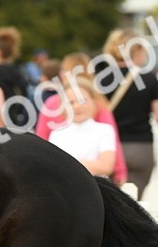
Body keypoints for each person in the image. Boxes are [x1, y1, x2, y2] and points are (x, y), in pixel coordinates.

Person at [94, 29, 158, 195]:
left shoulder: (100, 78)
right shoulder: (149, 79)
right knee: (133, 203)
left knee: (104, 200)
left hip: (107, 148)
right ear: (138, 50)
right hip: (140, 146)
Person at [34, 53, 128, 185]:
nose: (77, 107)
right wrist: (120, 171)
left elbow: (41, 141)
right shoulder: (99, 101)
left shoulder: (52, 103)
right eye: (71, 103)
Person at [47, 77, 116, 177]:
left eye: (82, 101)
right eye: (71, 102)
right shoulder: (56, 134)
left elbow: (106, 166)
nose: (77, 106)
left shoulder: (104, 130)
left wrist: (67, 164)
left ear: (93, 101)